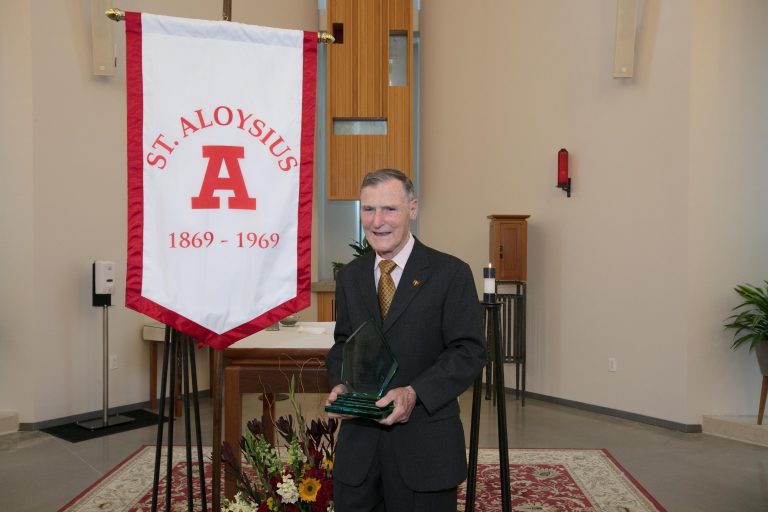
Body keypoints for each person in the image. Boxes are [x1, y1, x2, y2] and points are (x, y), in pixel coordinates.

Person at [325, 168, 486, 511]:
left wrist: (415, 393)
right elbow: (343, 344)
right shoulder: (351, 277)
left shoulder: (451, 274)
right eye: (368, 209)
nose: (377, 221)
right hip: (360, 455)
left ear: (412, 209)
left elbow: (468, 352)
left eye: (389, 209)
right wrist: (341, 382)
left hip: (424, 451)